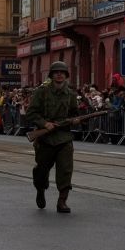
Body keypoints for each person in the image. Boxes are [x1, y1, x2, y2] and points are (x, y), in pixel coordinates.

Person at [26, 61, 80, 213]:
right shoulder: (41, 92)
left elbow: (74, 114)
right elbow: (31, 113)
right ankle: (40, 190)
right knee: (41, 171)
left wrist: (76, 120)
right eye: (56, 72)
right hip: (45, 139)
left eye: (62, 72)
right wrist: (44, 123)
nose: (59, 75)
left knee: (65, 170)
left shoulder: (71, 95)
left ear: (66, 76)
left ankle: (62, 201)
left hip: (64, 138)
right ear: (51, 75)